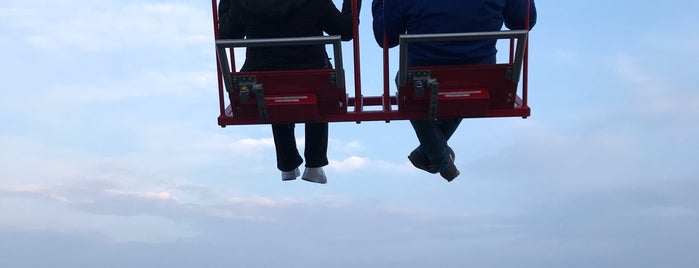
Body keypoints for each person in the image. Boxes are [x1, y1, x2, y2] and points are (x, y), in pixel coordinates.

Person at [372, 0, 537, 182]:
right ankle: (432, 155)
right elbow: (523, 21)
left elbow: (385, 36)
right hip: (481, 75)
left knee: (408, 82)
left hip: (421, 76)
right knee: (460, 83)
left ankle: (438, 157)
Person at [219, 0, 361, 184]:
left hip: (260, 78)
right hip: (312, 76)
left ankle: (287, 163)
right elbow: (346, 31)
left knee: (271, 88)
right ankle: (315, 163)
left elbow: (229, 35)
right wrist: (353, 4)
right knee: (320, 84)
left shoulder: (245, 3)